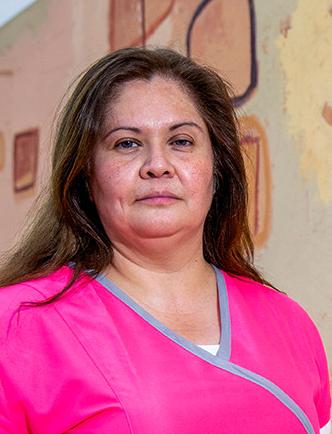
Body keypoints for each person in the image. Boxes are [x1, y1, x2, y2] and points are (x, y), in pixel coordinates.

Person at [0, 47, 330, 434]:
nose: (158, 165)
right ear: (86, 175)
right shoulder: (18, 325)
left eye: (182, 141)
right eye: (127, 143)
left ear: (217, 169)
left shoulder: (289, 322)